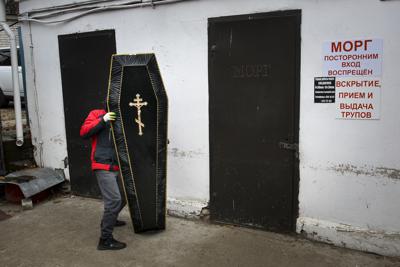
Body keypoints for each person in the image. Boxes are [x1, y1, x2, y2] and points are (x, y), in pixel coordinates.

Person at [80, 108, 127, 250]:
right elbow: (84, 132)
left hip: (118, 165)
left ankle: (110, 219)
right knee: (114, 200)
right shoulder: (97, 114)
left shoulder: (124, 115)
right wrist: (103, 119)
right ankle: (105, 240)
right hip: (102, 164)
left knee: (124, 197)